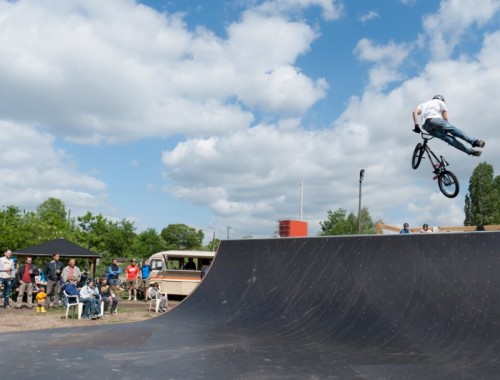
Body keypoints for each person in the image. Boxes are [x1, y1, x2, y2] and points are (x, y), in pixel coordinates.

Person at [412, 95, 485, 157]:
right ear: (441, 99)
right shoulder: (440, 102)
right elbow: (445, 117)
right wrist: (445, 127)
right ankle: (475, 141)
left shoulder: (423, 104)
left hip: (426, 126)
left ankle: (470, 151)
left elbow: (414, 112)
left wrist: (416, 125)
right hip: (436, 120)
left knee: (447, 138)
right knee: (454, 130)